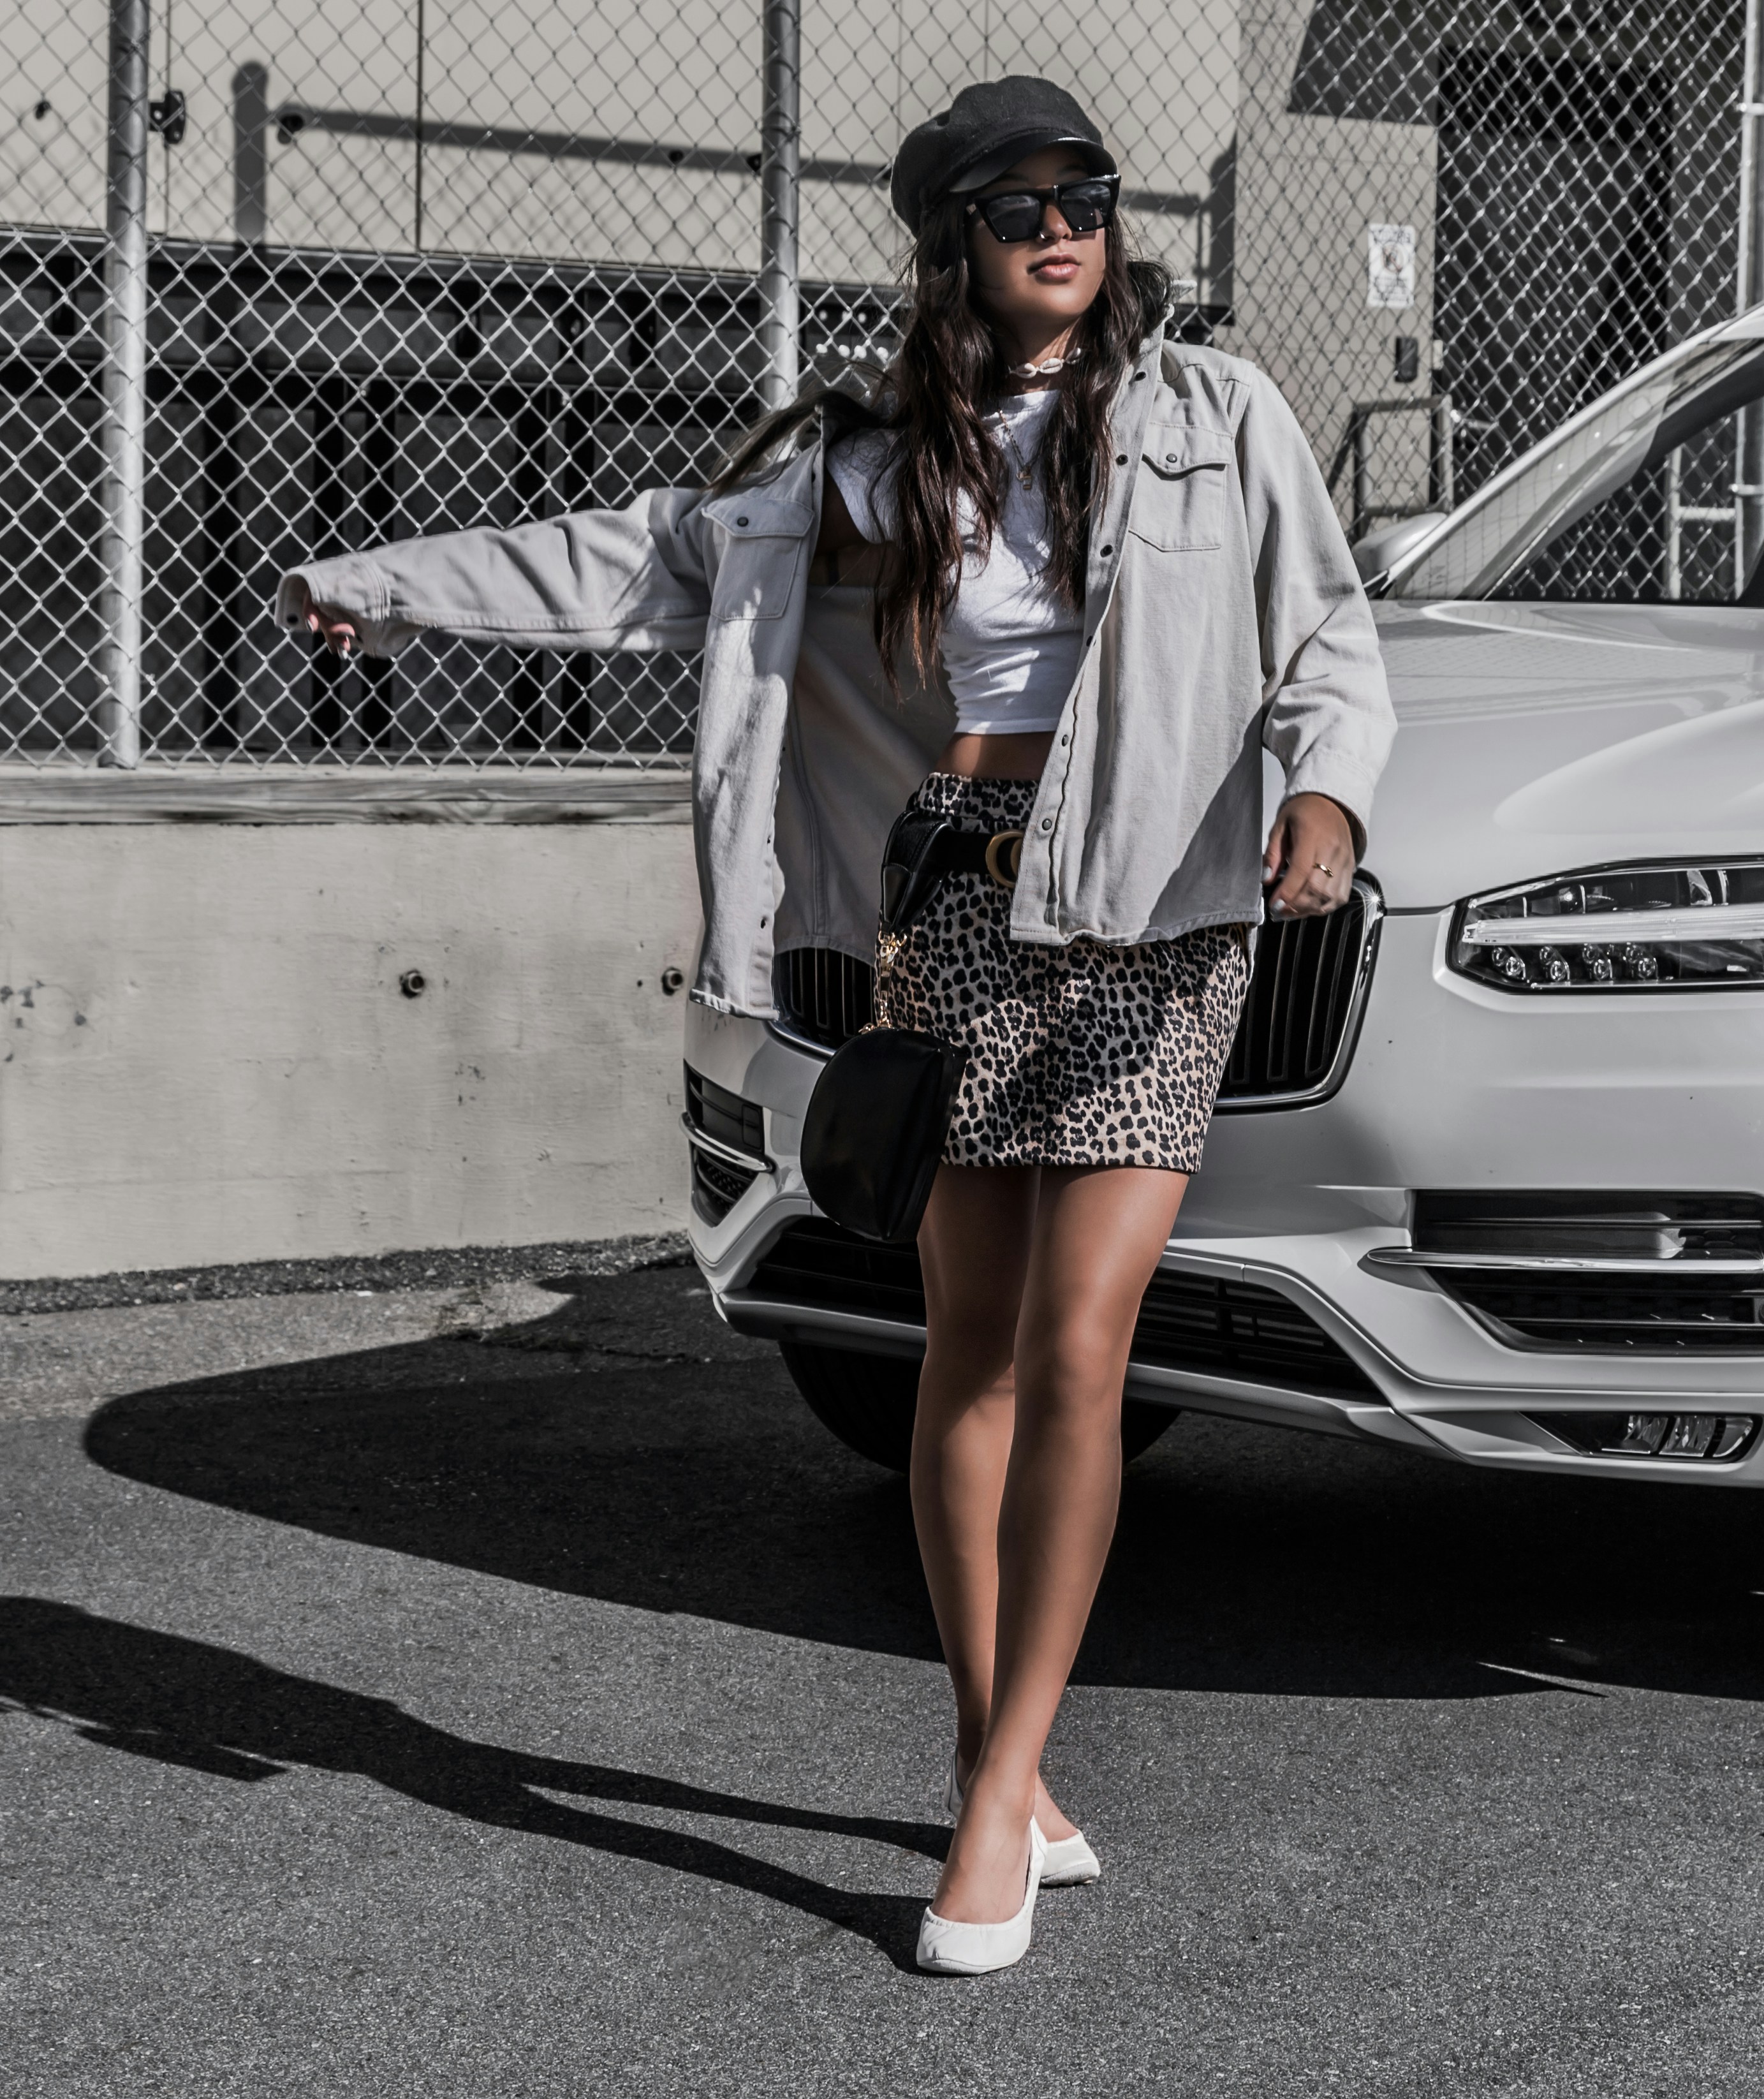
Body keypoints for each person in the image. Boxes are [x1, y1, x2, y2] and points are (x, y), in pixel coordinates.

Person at [277, 75, 1393, 1974]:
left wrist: (1328, 795)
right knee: (963, 1348)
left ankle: (992, 1796)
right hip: (953, 906)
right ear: (950, 235)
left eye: (1086, 192)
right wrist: (375, 589)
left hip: (1155, 923)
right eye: (1017, 199)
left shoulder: (1222, 416)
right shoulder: (867, 458)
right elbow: (628, 559)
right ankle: (1000, 1749)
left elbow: (1328, 643)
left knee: (1082, 1340)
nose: (1062, 223)